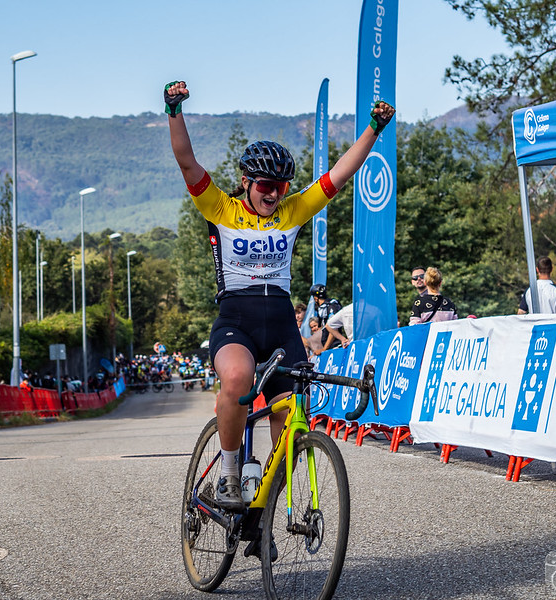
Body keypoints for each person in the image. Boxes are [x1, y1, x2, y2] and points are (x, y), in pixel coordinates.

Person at [165, 79, 394, 512]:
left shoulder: (292, 212)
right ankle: (230, 475)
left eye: (281, 187)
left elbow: (340, 175)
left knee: (290, 421)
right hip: (236, 321)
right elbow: (187, 162)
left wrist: (372, 130)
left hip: (282, 325)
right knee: (237, 380)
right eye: (265, 185)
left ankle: (264, 509)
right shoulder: (221, 208)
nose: (273, 194)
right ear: (246, 182)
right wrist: (174, 111)